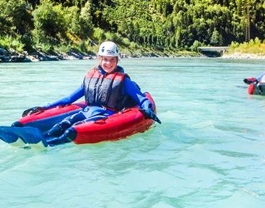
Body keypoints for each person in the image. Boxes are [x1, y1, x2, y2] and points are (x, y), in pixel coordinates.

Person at [19, 41, 160, 145]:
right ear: (100, 59)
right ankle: (34, 140)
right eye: (105, 59)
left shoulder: (124, 82)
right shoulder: (91, 77)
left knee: (70, 132)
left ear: (117, 60)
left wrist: (147, 110)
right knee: (60, 126)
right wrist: (45, 107)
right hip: (86, 111)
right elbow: (69, 98)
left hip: (105, 115)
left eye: (112, 60)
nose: (108, 63)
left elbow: (142, 99)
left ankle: (48, 146)